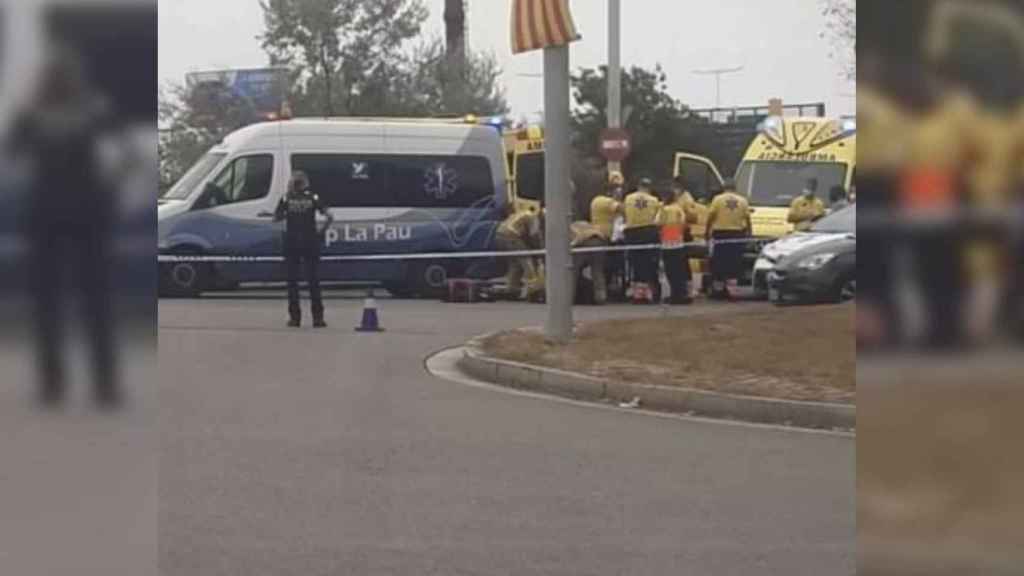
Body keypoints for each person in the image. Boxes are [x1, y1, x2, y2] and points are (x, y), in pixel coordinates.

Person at [7, 43, 119, 408]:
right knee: (95, 303)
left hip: (47, 215)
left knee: (48, 305)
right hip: (88, 214)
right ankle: (104, 386)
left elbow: (12, 150)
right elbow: (126, 154)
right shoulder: (95, 110)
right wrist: (110, 187)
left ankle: (53, 386)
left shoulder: (33, 116)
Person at [274, 171, 333, 327]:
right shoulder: (313, 197)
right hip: (310, 242)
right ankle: (318, 318)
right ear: (305, 183)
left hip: (292, 243)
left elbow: (277, 218)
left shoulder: (286, 198)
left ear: (292, 183)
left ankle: (295, 318)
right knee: (313, 280)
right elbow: (330, 216)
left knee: (292, 282)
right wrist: (321, 232)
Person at [705, 178, 752, 300]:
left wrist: (707, 231)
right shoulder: (743, 201)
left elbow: (711, 216)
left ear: (724, 187)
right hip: (737, 234)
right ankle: (733, 291)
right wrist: (749, 233)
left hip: (721, 233)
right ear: (735, 188)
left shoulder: (717, 199)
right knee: (734, 262)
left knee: (718, 262)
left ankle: (718, 290)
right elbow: (747, 219)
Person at [623, 177, 663, 303]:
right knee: (650, 263)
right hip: (648, 232)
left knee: (635, 263)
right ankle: (650, 292)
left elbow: (625, 214)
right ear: (649, 188)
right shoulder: (654, 200)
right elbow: (658, 218)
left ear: (638, 186)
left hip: (632, 233)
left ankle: (638, 294)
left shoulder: (628, 198)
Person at [495, 207, 544, 300]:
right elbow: (533, 234)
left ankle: (511, 289)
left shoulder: (519, 213)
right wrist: (539, 249)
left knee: (515, 264)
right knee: (527, 261)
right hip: (512, 235)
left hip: (499, 235)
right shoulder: (532, 216)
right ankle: (533, 289)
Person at [657, 187, 693, 304]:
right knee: (680, 271)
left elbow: (657, 223)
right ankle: (681, 294)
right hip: (678, 243)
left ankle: (675, 296)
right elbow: (684, 223)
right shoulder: (678, 208)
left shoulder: (664, 209)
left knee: (671, 272)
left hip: (667, 244)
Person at [570, 221, 609, 305]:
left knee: (573, 271)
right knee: (597, 271)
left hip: (584, 243)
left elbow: (576, 240)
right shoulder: (588, 225)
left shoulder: (571, 227)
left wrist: (571, 247)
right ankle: (601, 298)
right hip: (599, 242)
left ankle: (569, 298)